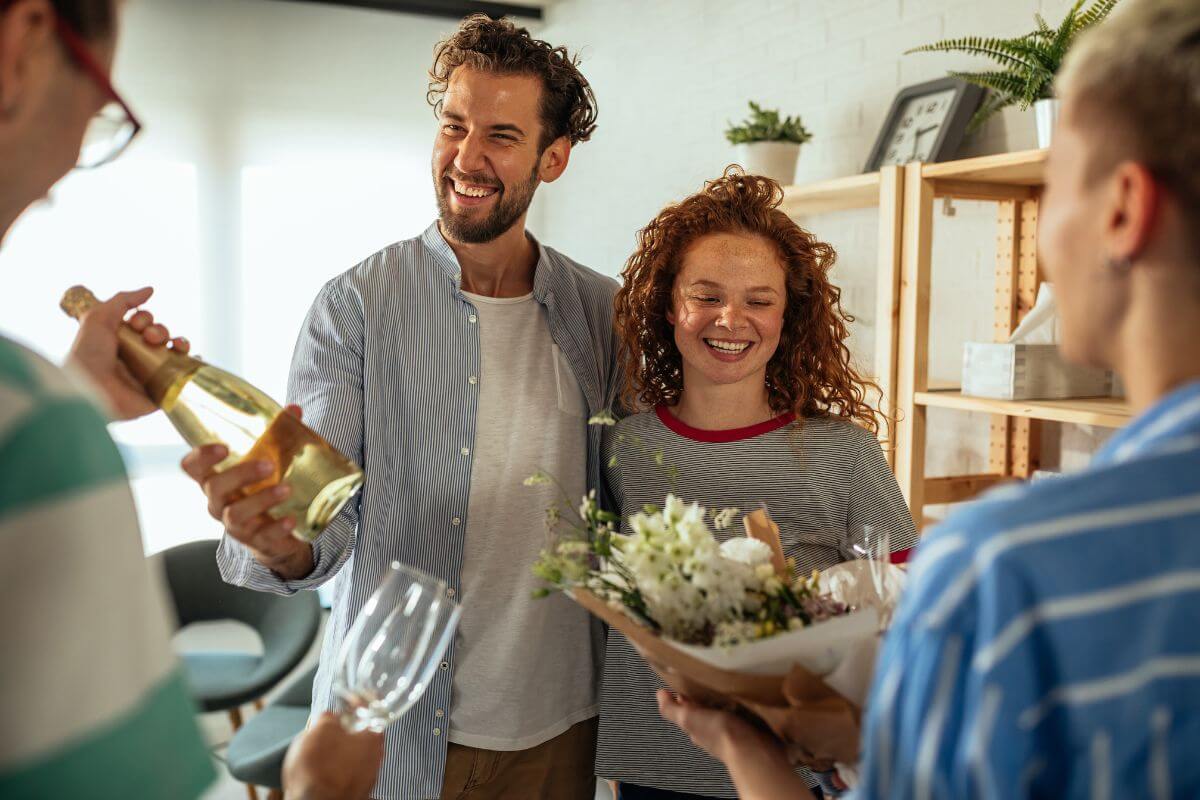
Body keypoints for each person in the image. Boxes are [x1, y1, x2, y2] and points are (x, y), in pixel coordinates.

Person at [658, 0, 1200, 797]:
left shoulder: (1004, 574)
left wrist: (746, 748)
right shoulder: (629, 439)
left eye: (1057, 185)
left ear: (1123, 209)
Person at [183, 14, 618, 799]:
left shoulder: (601, 313)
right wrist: (280, 539)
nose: (467, 158)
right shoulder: (354, 306)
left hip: (561, 731)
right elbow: (317, 518)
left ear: (553, 158)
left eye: (502, 136)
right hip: (393, 732)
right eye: (454, 125)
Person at [0, 2, 383, 798]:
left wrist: (79, 394)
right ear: (22, 43)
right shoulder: (38, 431)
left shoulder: (44, 411)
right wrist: (317, 790)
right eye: (104, 105)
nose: (65, 176)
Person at [597, 168, 917, 800]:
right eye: (706, 295)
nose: (731, 319)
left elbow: (907, 612)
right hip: (649, 769)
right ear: (669, 305)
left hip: (793, 777)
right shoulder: (623, 448)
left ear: (787, 316)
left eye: (759, 300)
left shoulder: (844, 454)